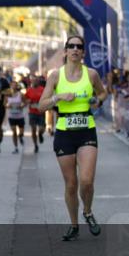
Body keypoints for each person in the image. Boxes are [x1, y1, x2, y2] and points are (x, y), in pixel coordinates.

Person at [37, 36, 108, 241]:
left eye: (79, 47)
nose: (75, 49)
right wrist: (58, 97)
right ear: (65, 51)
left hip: (86, 130)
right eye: (71, 46)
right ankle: (74, 224)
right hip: (64, 132)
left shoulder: (91, 74)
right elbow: (41, 105)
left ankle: (87, 211)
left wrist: (97, 100)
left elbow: (103, 93)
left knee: (86, 181)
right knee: (71, 184)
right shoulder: (55, 76)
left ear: (83, 52)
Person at [25, 74, 46, 152]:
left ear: (38, 81)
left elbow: (46, 98)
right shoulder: (29, 90)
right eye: (33, 80)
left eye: (36, 80)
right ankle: (35, 145)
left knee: (41, 129)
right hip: (32, 112)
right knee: (33, 129)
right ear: (31, 81)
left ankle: (40, 135)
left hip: (41, 112)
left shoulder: (42, 89)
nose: (34, 82)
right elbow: (25, 100)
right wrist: (28, 101)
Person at [4, 80, 26, 154]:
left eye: (15, 85)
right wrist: (8, 106)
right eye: (12, 85)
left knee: (21, 132)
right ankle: (16, 147)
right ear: (10, 86)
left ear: (17, 86)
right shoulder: (7, 95)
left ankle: (21, 137)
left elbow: (25, 102)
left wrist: (21, 106)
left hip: (20, 116)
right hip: (11, 116)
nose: (13, 86)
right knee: (14, 132)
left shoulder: (20, 94)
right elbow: (4, 104)